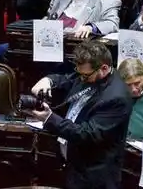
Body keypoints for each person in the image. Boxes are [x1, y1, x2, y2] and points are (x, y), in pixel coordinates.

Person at [25, 39, 133, 189]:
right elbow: (68, 79)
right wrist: (48, 80)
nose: (82, 78)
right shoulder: (89, 74)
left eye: (85, 76)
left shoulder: (117, 98)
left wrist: (50, 118)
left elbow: (87, 133)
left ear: (104, 68)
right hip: (72, 165)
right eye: (80, 73)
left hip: (93, 177)